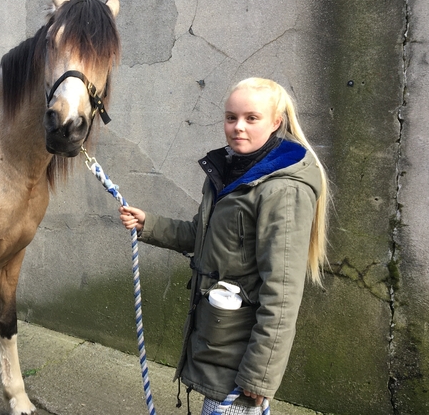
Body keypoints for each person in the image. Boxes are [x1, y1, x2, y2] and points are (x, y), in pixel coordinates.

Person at [120, 77, 329, 414]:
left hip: (240, 359)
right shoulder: (228, 172)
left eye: (251, 118)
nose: (238, 127)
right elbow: (203, 236)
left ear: (277, 122)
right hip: (216, 342)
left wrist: (259, 375)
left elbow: (283, 292)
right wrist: (150, 224)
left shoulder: (282, 191)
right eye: (231, 118)